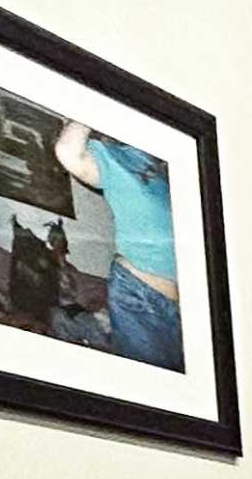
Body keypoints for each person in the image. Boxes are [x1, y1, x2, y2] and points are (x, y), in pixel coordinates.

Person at [52, 118, 182, 371]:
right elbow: (69, 153)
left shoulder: (179, 164)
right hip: (142, 297)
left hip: (189, 306)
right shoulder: (119, 158)